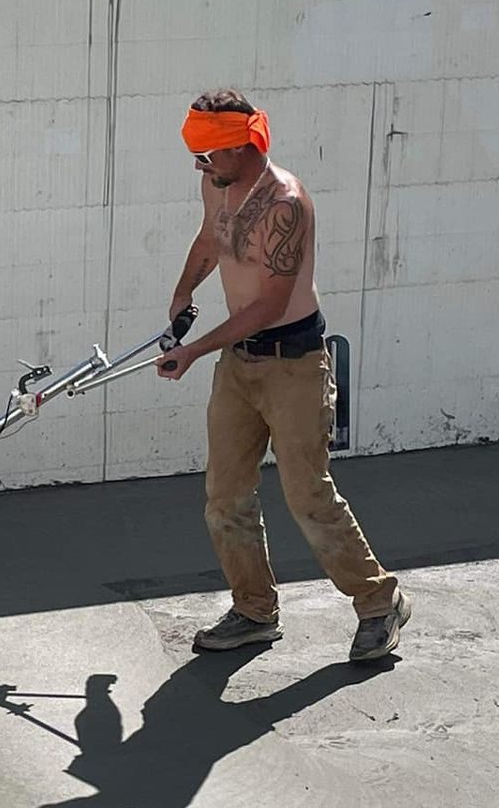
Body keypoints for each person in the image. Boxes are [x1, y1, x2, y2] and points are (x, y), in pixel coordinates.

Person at [155, 89, 410, 663]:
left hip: (293, 363)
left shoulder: (285, 204)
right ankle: (253, 610)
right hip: (238, 363)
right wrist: (182, 291)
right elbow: (209, 239)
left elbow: (269, 305)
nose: (201, 166)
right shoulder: (216, 183)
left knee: (309, 495)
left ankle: (378, 602)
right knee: (224, 496)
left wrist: (193, 351)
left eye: (210, 155)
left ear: (244, 146)